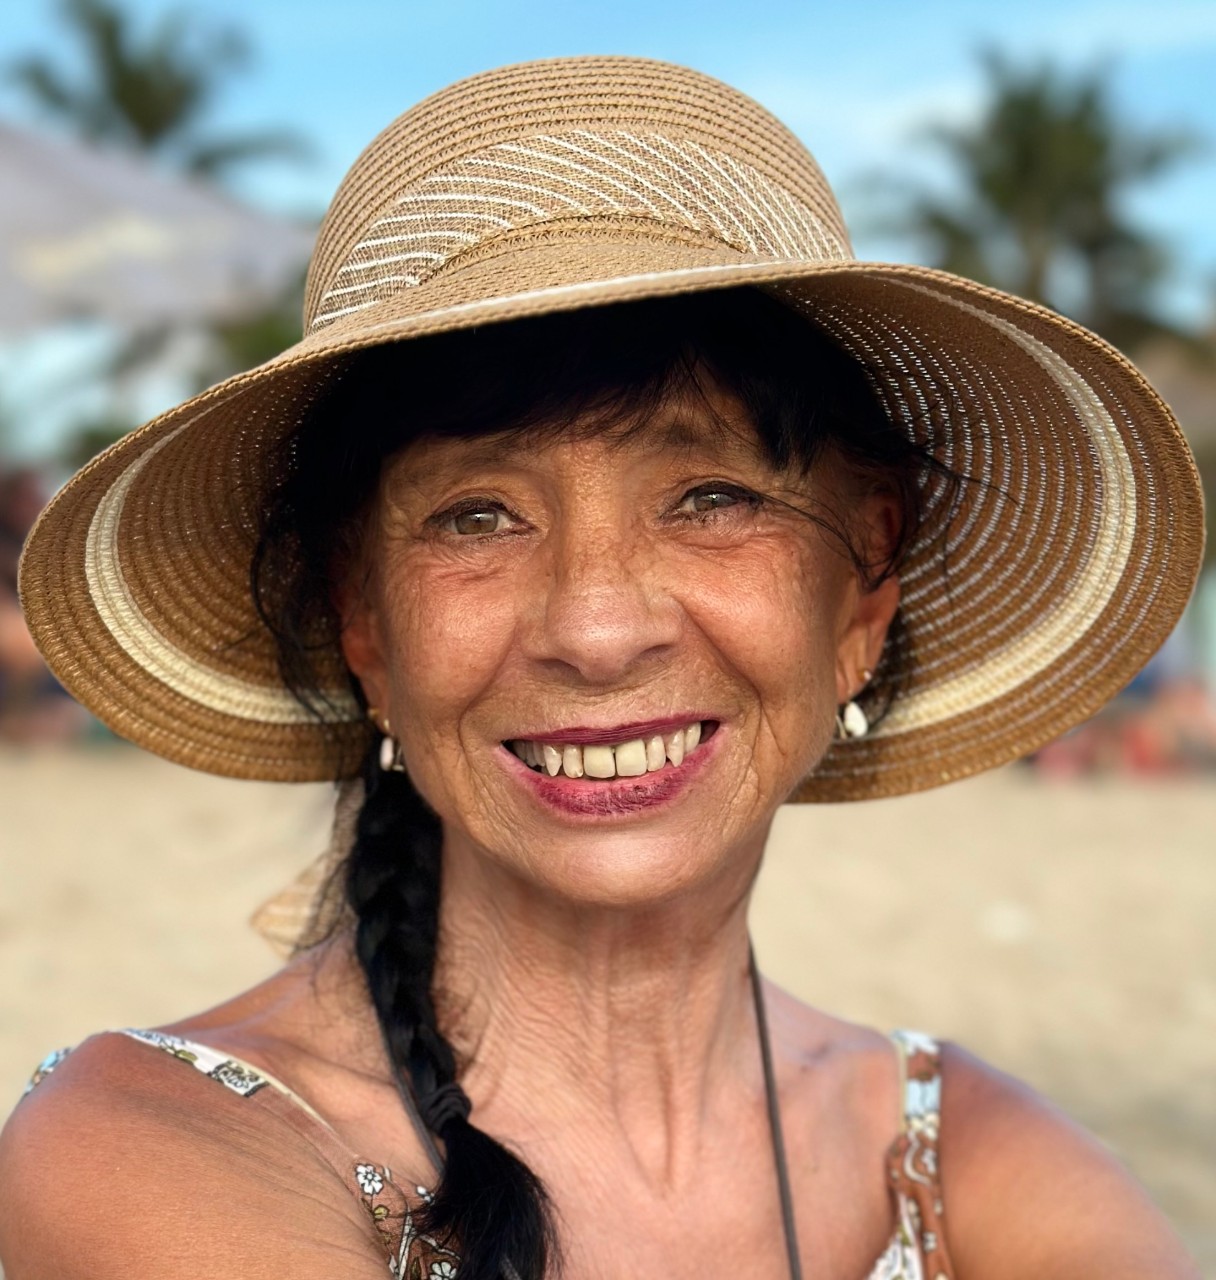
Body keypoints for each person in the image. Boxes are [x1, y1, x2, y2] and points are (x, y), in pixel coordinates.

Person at [1, 56, 1204, 1280]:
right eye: (476, 516)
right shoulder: (160, 1146)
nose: (594, 627)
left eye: (711, 497)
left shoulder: (963, 1148)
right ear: (361, 620)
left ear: (862, 593)